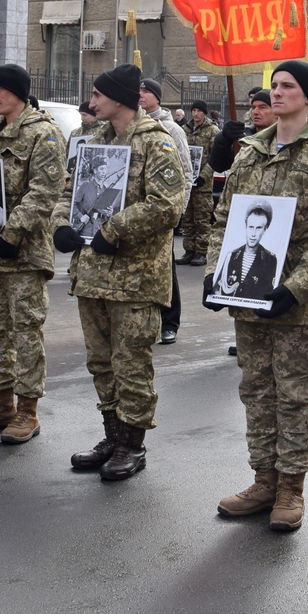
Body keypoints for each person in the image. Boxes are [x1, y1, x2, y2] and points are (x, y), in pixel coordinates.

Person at [207, 59, 308, 533]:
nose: (276, 92)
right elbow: (225, 218)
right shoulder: (250, 154)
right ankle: (264, 480)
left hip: (297, 306)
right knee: (256, 392)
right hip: (249, 302)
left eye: (287, 86)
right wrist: (215, 274)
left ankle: (291, 487)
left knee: (292, 396)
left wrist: (294, 289)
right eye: (274, 85)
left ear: (307, 97)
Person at [52, 63, 184, 481]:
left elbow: (168, 205)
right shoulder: (94, 142)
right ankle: (112, 436)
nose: (92, 103)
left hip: (135, 279)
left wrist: (114, 229)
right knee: (101, 363)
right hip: (92, 274)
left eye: (97, 95)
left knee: (131, 365)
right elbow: (68, 192)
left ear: (119, 99)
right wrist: (61, 224)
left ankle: (132, 444)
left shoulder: (156, 143)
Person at [0, 64, 66, 445]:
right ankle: (0, 403)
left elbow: (45, 191)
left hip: (24, 254)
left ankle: (27, 410)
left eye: (0, 89)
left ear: (18, 92)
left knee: (25, 332)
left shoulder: (44, 133)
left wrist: (12, 231)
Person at [140, 78, 193, 345]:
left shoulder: (171, 129)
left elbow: (186, 171)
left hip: (163, 210)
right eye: (138, 91)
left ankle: (169, 322)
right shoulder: (132, 125)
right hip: (138, 212)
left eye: (146, 91)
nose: (141, 95)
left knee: (165, 269)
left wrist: (178, 210)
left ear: (158, 97)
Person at [212, 201, 280, 299]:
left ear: (265, 229)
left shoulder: (270, 259)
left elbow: (267, 291)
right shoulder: (232, 256)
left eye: (258, 228)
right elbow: (219, 288)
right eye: (251, 227)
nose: (253, 234)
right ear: (246, 226)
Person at [178, 100, 218, 266]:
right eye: (194, 110)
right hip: (187, 181)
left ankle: (201, 252)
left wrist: (204, 176)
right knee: (187, 219)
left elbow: (215, 156)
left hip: (203, 184)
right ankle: (189, 250)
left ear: (205, 113)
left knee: (201, 219)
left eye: (199, 111)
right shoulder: (184, 129)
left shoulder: (212, 130)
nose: (196, 114)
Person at [207, 89, 274, 172]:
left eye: (262, 107)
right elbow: (218, 166)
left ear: (276, 111)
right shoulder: (244, 139)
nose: (255, 112)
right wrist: (223, 139)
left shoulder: (283, 140)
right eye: (253, 107)